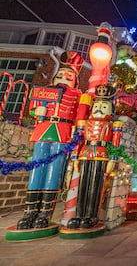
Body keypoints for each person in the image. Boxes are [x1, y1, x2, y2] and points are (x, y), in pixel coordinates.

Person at [17, 51, 90, 230]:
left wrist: (78, 135)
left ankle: (45, 212)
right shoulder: (46, 91)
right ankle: (30, 211)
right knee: (37, 168)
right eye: (61, 74)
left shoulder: (78, 95)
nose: (64, 77)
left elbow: (80, 117)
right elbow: (34, 109)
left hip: (63, 131)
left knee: (54, 171)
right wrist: (37, 112)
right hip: (43, 130)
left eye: (69, 75)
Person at [66, 84, 123, 229]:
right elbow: (78, 140)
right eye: (97, 106)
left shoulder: (113, 125)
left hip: (102, 152)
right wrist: (74, 158)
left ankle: (91, 215)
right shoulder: (84, 123)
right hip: (85, 152)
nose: (99, 109)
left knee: (95, 184)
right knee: (83, 184)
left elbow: (115, 143)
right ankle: (78, 214)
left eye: (104, 107)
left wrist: (113, 159)